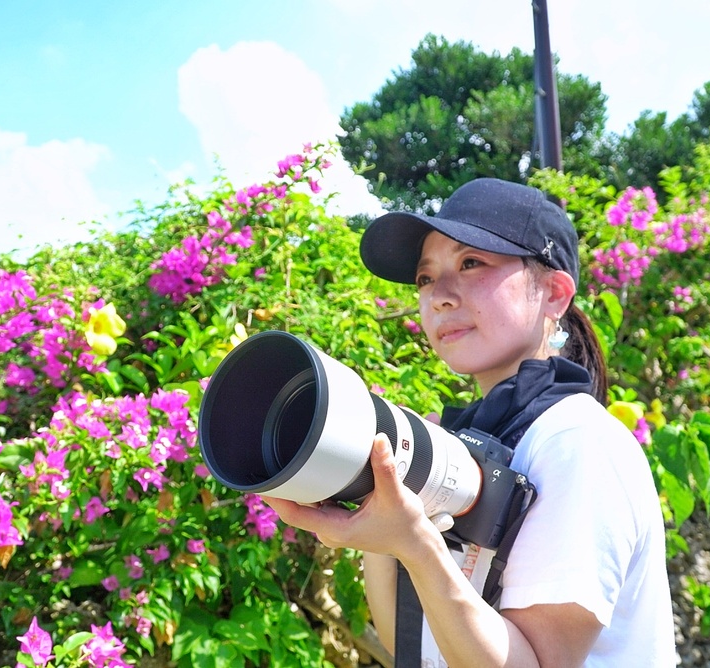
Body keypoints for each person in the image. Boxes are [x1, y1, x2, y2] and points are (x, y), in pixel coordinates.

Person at [262, 178, 677, 667]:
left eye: (471, 263)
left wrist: (416, 545)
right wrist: (379, 513)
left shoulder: (575, 442)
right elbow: (415, 650)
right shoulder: (474, 441)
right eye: (424, 278)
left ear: (554, 293)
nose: (439, 295)